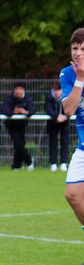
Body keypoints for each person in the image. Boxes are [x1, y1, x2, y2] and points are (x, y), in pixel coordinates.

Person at [61, 28, 84, 233]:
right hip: (83, 148)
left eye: (83, 49)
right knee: (72, 195)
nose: (78, 53)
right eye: (75, 48)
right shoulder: (68, 74)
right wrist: (80, 79)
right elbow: (68, 109)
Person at [1, 83, 35, 171]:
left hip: (22, 125)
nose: (18, 91)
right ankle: (29, 161)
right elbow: (4, 110)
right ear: (14, 90)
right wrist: (14, 111)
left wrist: (25, 112)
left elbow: (32, 110)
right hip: (12, 125)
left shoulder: (28, 99)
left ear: (23, 90)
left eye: (20, 89)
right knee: (18, 144)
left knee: (19, 145)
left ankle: (16, 165)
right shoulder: (9, 99)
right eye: (17, 89)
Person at [45, 82, 71, 172]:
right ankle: (53, 163)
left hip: (64, 122)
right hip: (52, 122)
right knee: (52, 142)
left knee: (65, 142)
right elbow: (48, 109)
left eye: (58, 90)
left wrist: (65, 116)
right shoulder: (49, 97)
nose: (57, 92)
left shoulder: (67, 96)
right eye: (55, 90)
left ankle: (63, 163)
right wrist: (57, 116)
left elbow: (70, 108)